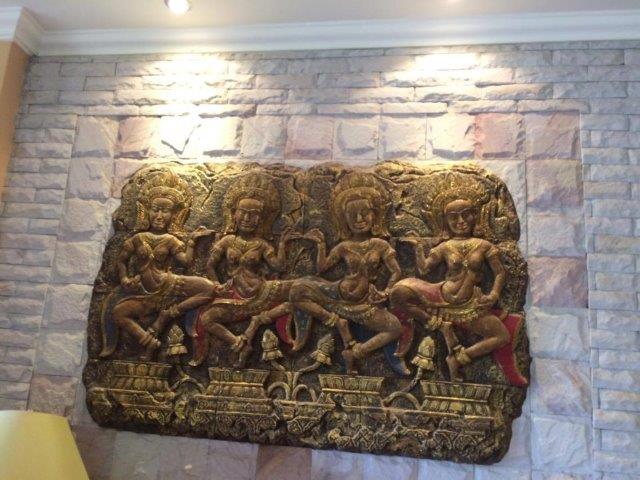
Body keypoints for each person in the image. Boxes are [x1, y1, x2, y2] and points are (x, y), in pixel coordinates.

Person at [391, 183, 527, 385]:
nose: (461, 221)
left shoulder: (484, 246)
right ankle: (438, 324)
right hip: (442, 298)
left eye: (466, 215)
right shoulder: (445, 247)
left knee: (502, 336)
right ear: (445, 221)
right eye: (454, 217)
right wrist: (418, 248)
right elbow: (425, 269)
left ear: (475, 217)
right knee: (399, 292)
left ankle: (458, 359)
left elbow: (499, 273)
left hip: (469, 305)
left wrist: (493, 295)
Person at [289, 172, 408, 375]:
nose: (359, 219)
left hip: (365, 302)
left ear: (375, 215)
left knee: (394, 328)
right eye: (352, 215)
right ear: (344, 219)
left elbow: (396, 271)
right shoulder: (344, 246)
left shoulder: (380, 245)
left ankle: (356, 353)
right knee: (296, 290)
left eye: (364, 213)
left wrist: (386, 292)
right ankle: (336, 321)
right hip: (338, 295)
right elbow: (322, 268)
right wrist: (321, 245)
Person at [100, 170, 215, 360]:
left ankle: (168, 314)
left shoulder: (170, 240)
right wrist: (124, 278)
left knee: (208, 288)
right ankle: (148, 341)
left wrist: (193, 241)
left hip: (169, 285)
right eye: (155, 209)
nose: (160, 216)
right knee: (118, 313)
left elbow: (186, 261)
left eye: (166, 211)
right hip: (144, 293)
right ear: (147, 211)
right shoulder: (138, 238)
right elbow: (121, 260)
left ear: (174, 215)